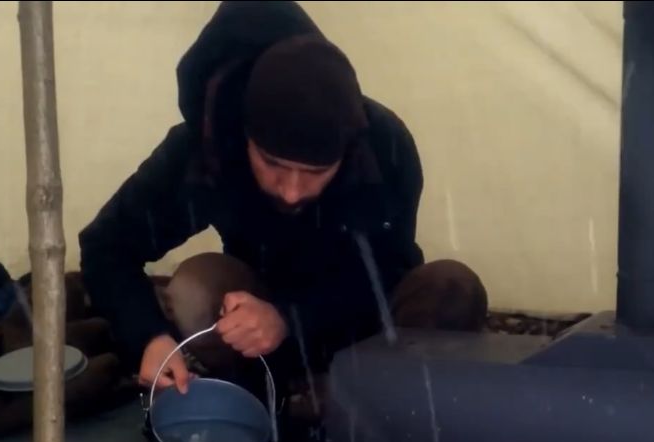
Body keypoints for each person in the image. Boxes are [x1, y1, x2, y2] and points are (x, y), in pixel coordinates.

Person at [78, 0, 489, 420]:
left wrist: (291, 317)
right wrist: (150, 338)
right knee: (195, 286)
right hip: (257, 334)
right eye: (273, 164)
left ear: (344, 154)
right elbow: (105, 245)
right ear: (245, 138)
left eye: (315, 172)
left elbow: (388, 269)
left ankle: (371, 401)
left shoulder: (383, 146)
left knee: (452, 286)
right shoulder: (206, 146)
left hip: (364, 326)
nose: (292, 192)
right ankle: (271, 398)